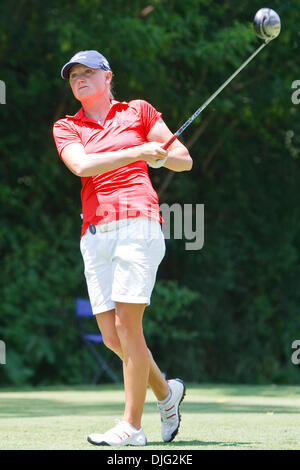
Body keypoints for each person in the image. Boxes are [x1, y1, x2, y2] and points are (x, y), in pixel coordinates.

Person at [53, 50, 193, 446]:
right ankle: (167, 395)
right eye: (73, 75)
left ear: (107, 76)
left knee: (126, 327)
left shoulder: (138, 112)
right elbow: (82, 166)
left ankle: (131, 426)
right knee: (114, 338)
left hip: (138, 222)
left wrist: (162, 156)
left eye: (87, 72)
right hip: (94, 234)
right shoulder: (67, 126)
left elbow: (184, 159)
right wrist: (137, 152)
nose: (79, 78)